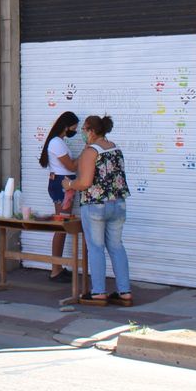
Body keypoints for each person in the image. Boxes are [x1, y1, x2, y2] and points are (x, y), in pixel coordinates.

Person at [65, 114, 132, 306]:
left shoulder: (91, 152)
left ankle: (98, 292)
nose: (82, 134)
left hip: (95, 205)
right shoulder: (115, 148)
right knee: (117, 246)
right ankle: (124, 291)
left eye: (84, 130)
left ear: (92, 131)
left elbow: (85, 182)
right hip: (118, 203)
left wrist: (69, 184)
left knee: (95, 248)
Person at [39, 110, 80, 283]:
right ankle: (55, 268)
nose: (75, 131)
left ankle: (58, 266)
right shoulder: (57, 142)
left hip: (64, 184)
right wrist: (86, 154)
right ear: (66, 126)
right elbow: (71, 167)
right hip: (62, 186)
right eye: (74, 127)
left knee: (63, 224)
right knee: (61, 225)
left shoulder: (59, 142)